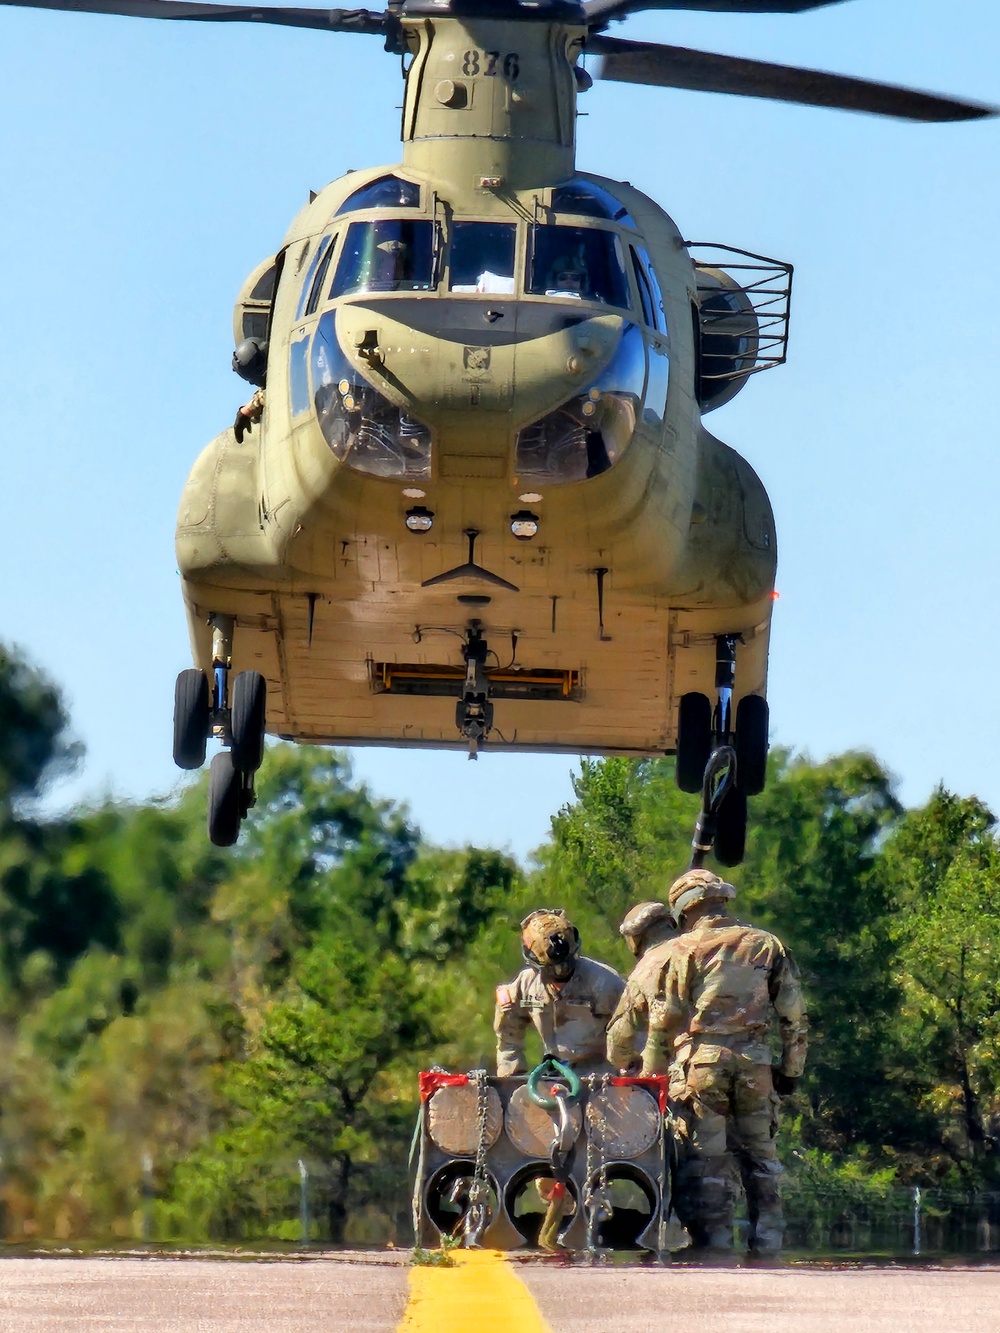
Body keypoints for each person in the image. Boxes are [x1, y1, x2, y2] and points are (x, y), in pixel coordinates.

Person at [640, 868, 808, 1257]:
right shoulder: (766, 945)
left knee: (708, 1159)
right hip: (756, 1065)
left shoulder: (678, 951)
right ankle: (768, 1245)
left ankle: (714, 1247)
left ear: (683, 910)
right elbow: (794, 1017)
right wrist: (791, 1071)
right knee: (763, 1157)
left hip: (701, 1069)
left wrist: (650, 1081)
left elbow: (662, 1021)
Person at [494, 909, 624, 1078]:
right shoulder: (525, 985)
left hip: (600, 1078)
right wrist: (511, 1075)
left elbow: (635, 1028)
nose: (560, 971)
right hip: (552, 1075)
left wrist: (631, 1073)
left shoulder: (605, 982)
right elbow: (508, 1032)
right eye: (551, 968)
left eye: (566, 964)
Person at [606, 901, 681, 1076]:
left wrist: (633, 1062)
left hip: (675, 1077)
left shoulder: (644, 970)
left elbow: (618, 1043)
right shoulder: (699, 949)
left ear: (634, 939)